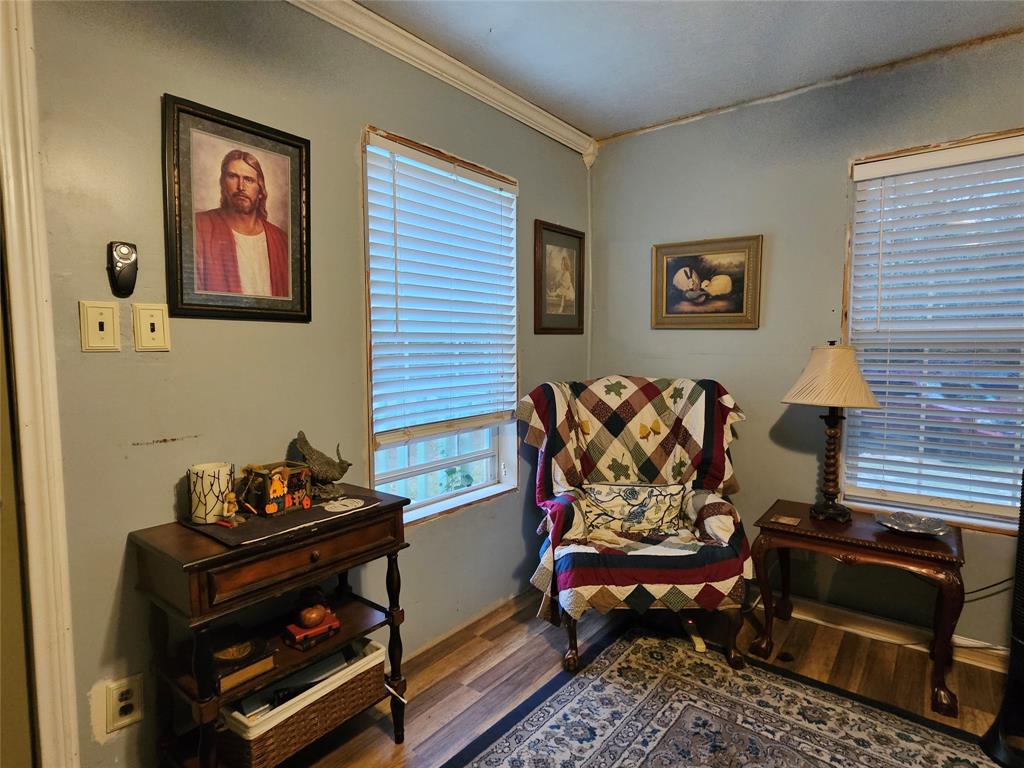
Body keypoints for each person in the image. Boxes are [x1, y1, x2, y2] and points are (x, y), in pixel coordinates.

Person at [194, 149, 289, 297]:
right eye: (233, 177)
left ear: (260, 189)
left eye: (249, 179)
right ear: (223, 183)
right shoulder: (199, 227)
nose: (241, 187)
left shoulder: (281, 240)